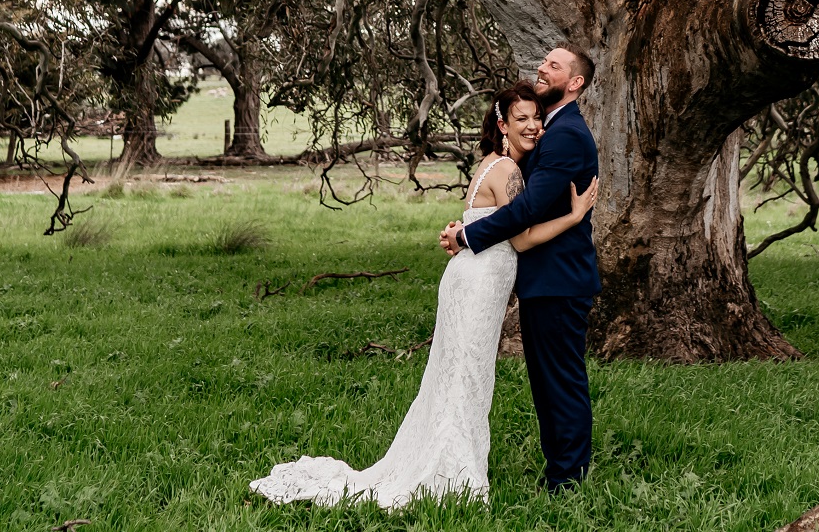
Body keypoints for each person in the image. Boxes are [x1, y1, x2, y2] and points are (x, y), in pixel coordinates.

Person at [249, 80, 597, 508]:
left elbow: (492, 224)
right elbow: (522, 239)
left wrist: (465, 232)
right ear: (501, 124)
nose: (533, 127)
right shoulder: (508, 172)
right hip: (479, 285)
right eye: (521, 119)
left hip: (470, 280)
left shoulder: (491, 164)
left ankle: (449, 466)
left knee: (455, 377)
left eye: (537, 118)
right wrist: (576, 215)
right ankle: (450, 475)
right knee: (465, 379)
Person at [443, 45, 600, 493]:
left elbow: (528, 207)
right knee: (548, 382)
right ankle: (561, 470)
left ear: (575, 83)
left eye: (554, 65)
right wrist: (470, 223)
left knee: (561, 382)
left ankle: (567, 480)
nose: (542, 68)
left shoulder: (568, 133)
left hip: (560, 279)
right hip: (542, 279)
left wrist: (468, 236)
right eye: (543, 62)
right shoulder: (550, 130)